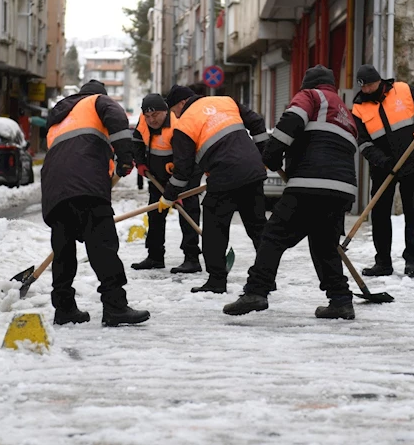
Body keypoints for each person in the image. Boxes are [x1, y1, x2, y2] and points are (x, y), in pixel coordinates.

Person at [223, 65, 358, 319]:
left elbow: (291, 122)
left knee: (273, 236)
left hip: (311, 183)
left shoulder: (311, 96)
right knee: (325, 246)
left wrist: (272, 154)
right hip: (342, 190)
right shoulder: (344, 112)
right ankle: (340, 300)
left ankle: (256, 291)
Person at [41, 80, 150, 327]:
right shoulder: (97, 102)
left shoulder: (59, 115)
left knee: (63, 251)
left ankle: (64, 309)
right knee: (103, 247)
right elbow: (118, 119)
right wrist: (125, 157)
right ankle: (115, 307)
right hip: (86, 183)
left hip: (53, 187)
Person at [158, 84, 269, 293]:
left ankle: (216, 281)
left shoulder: (184, 124)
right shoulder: (226, 101)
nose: (175, 115)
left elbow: (183, 171)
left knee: (214, 230)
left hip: (224, 176)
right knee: (258, 228)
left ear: (181, 103)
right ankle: (267, 277)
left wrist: (168, 196)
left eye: (174, 111)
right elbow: (256, 122)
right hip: (252, 171)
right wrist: (264, 155)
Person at [351, 64, 414, 278]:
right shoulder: (358, 108)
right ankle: (383, 263)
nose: (367, 90)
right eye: (363, 87)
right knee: (379, 214)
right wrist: (383, 161)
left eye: (370, 85)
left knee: (413, 211)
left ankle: (412, 260)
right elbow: (363, 143)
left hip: (411, 160)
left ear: (379, 81)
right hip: (382, 167)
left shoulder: (401, 90)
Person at [131, 93, 203, 274]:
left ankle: (191, 258)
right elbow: (137, 141)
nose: (151, 120)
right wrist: (140, 163)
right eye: (147, 116)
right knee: (155, 215)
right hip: (157, 177)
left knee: (188, 215)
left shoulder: (178, 126)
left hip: (185, 176)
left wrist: (175, 191)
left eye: (155, 115)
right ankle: (155, 256)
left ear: (165, 111)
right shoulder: (143, 121)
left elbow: (186, 161)